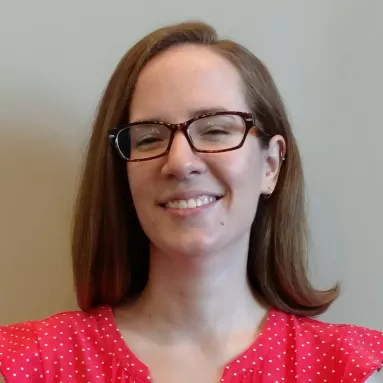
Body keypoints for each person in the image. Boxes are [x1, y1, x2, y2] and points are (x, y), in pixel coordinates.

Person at [0, 21, 382, 383]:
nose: (180, 162)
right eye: (148, 138)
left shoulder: (355, 368)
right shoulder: (29, 363)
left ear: (269, 164)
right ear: (123, 173)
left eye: (216, 130)